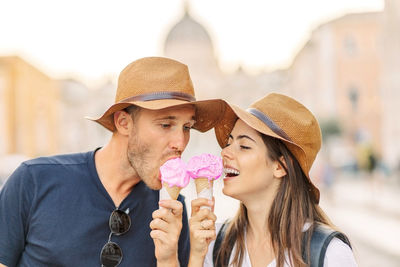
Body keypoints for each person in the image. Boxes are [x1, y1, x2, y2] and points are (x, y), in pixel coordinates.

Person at [0, 57, 225, 267]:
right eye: (166, 125)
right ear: (124, 123)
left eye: (187, 127)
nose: (181, 142)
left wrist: (176, 257)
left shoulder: (173, 210)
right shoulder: (34, 180)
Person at [188, 93, 357, 267]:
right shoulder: (215, 243)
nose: (224, 152)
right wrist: (194, 257)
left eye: (244, 146)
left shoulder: (330, 254)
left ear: (280, 166)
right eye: (228, 143)